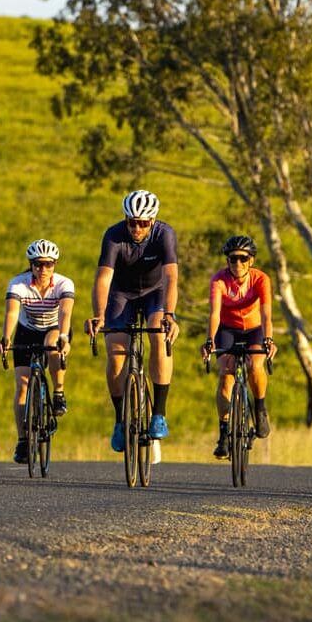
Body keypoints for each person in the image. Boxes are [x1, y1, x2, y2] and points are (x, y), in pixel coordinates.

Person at [84, 190, 179, 452]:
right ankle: (120, 419)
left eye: (143, 223)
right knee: (115, 355)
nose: (136, 228)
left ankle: (158, 412)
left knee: (159, 337)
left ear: (153, 221)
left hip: (155, 293)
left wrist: (169, 314)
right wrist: (99, 314)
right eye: (132, 222)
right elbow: (103, 278)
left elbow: (171, 276)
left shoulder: (164, 234)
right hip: (121, 294)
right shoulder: (114, 235)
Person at [0, 238, 75, 464]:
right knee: (22, 387)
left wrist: (63, 336)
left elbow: (65, 312)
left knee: (53, 343)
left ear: (55, 265)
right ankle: (23, 440)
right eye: (38, 264)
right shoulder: (18, 284)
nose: (43, 269)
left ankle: (58, 392)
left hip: (55, 328)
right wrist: (6, 337)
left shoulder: (64, 284)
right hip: (27, 330)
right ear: (31, 265)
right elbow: (12, 312)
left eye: (48, 264)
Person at [205, 234, 276, 454]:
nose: (237, 263)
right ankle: (224, 433)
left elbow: (266, 314)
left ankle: (260, 408)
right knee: (226, 374)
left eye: (243, 259)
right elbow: (215, 313)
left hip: (255, 330)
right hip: (227, 329)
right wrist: (210, 339)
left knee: (255, 366)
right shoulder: (219, 280)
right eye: (232, 258)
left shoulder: (261, 279)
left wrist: (268, 339)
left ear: (251, 260)